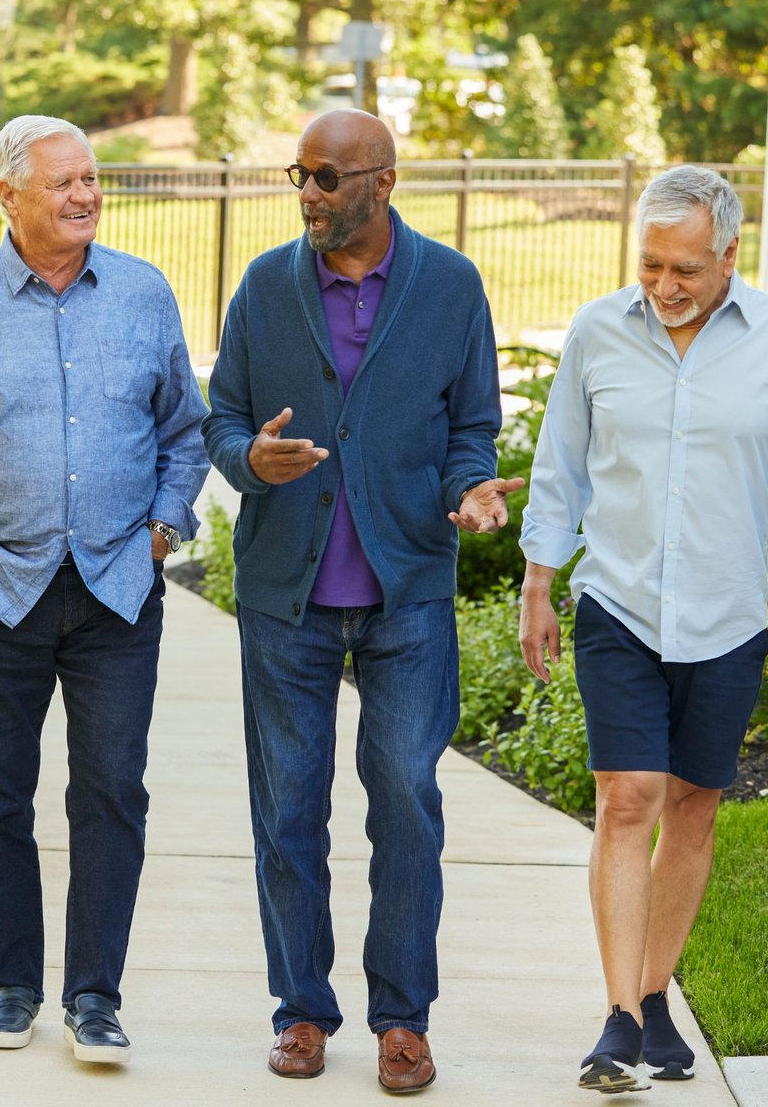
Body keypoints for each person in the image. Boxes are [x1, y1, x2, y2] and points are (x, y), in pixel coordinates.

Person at [0, 114, 209, 1065]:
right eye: (63, 183)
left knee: (110, 791)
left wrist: (166, 523)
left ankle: (95, 998)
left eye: (92, 179)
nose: (85, 196)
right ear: (8, 195)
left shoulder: (143, 295)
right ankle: (11, 987)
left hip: (117, 591)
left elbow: (186, 430)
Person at [516, 164, 768, 1093]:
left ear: (729, 257)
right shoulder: (598, 333)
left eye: (686, 269)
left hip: (725, 616)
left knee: (693, 807)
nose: (664, 287)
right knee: (628, 794)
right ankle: (620, 1020)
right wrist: (539, 583)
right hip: (620, 605)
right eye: (650, 266)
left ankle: (655, 993)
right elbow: (560, 471)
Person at [203, 109, 520, 1095]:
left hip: (408, 593)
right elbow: (220, 419)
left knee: (408, 807)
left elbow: (472, 424)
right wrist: (250, 459)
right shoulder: (264, 286)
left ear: (385, 181)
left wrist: (471, 489)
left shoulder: (451, 286)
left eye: (330, 177)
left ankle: (404, 1020)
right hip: (284, 597)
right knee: (288, 808)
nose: (309, 192)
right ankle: (301, 1008)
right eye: (300, 173)